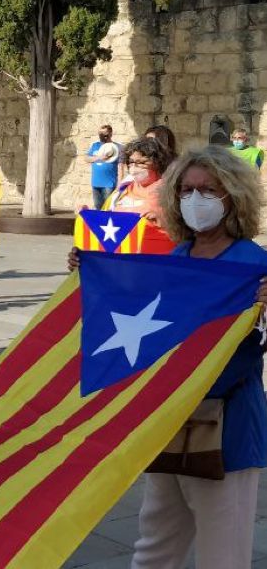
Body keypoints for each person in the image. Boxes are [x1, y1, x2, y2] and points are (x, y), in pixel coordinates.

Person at [69, 146, 267, 568]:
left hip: (227, 425)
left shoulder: (252, 263)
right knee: (156, 541)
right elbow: (140, 310)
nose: (196, 199)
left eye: (208, 190)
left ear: (232, 196)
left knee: (223, 554)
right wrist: (92, 271)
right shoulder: (178, 257)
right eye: (186, 190)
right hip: (169, 418)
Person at [101, 137, 177, 254]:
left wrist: (160, 218)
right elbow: (107, 218)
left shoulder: (168, 190)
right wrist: (87, 215)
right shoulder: (124, 188)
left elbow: (180, 227)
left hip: (156, 257)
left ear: (158, 163)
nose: (134, 167)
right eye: (131, 162)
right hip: (124, 256)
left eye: (142, 162)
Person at [83, 125, 122, 209]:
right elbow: (86, 158)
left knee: (107, 208)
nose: (102, 136)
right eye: (100, 134)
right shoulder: (95, 145)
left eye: (105, 134)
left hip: (109, 184)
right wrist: (98, 158)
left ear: (111, 134)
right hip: (95, 183)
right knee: (98, 207)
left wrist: (120, 183)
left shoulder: (117, 147)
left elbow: (121, 165)